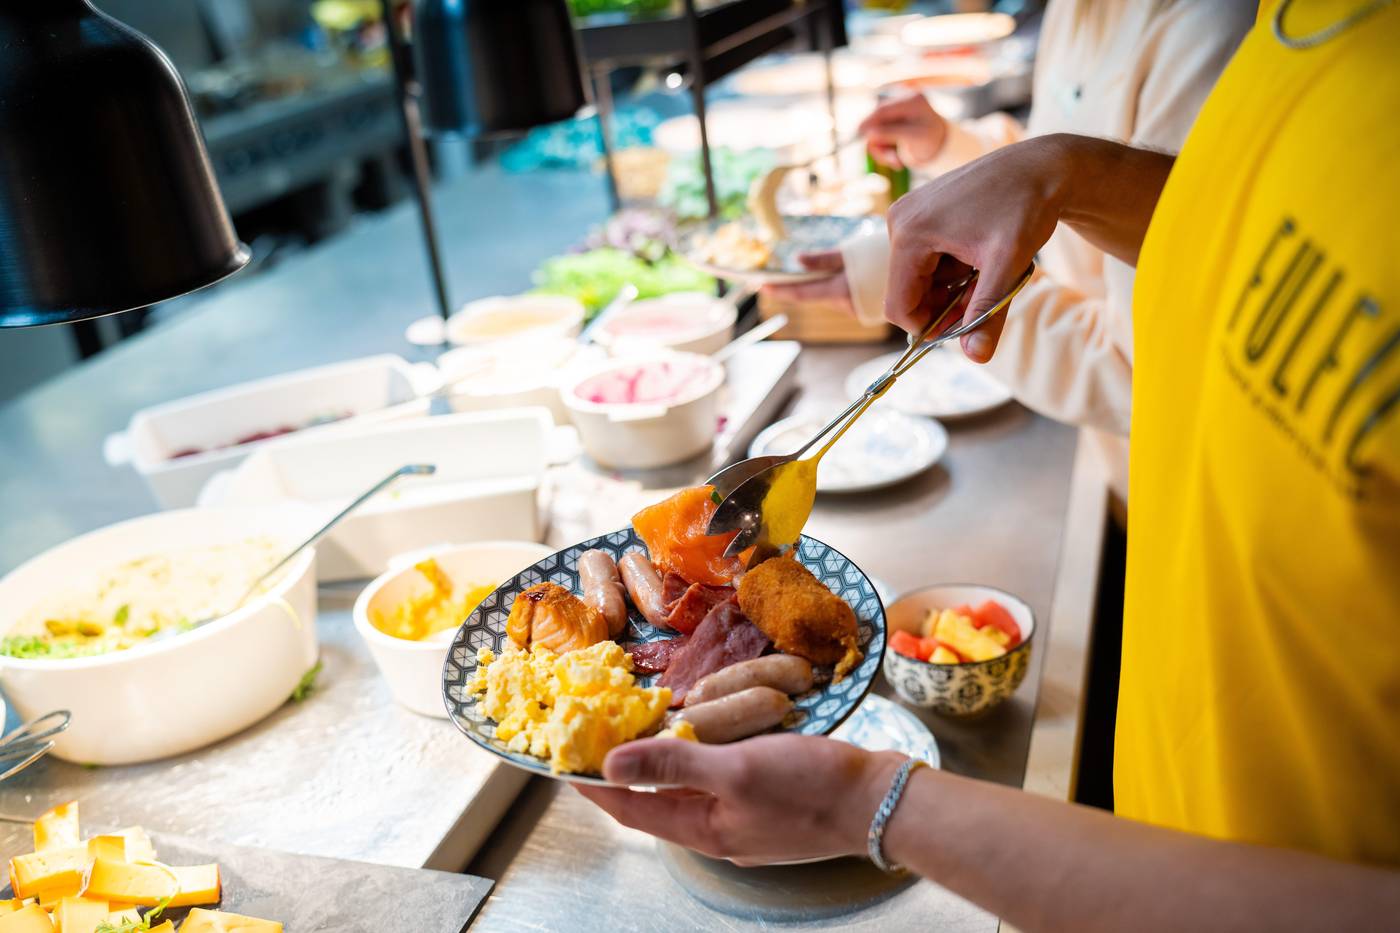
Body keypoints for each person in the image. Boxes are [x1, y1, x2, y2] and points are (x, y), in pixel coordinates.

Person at [580, 2, 1400, 928]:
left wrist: (871, 805)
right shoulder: (1304, 34)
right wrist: (1067, 171)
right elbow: (1214, 270)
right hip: (1158, 812)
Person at [770, 0, 1255, 501]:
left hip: (1169, 484)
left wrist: (948, 297)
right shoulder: (1073, 9)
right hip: (1104, 457)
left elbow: (1141, 373)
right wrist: (950, 148)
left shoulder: (1212, 26)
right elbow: (1080, 172)